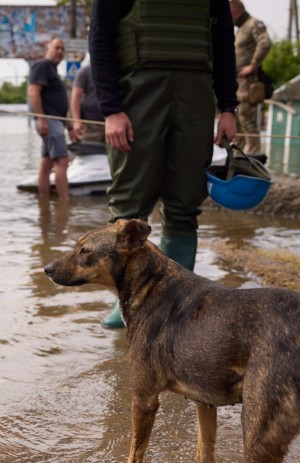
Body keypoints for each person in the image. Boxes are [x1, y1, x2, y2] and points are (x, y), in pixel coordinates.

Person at [89, 0, 238, 328]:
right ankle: (126, 303)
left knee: (185, 202)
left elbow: (225, 45)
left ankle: (176, 305)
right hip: (137, 95)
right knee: (129, 204)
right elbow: (99, 39)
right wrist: (111, 109)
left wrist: (229, 107)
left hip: (196, 96)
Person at [27, 37, 73, 201]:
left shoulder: (52, 70)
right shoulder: (43, 65)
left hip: (54, 121)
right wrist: (42, 120)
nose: (60, 52)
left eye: (62, 49)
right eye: (57, 48)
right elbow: (33, 92)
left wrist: (69, 125)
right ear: (48, 48)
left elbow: (56, 102)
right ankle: (65, 203)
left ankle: (44, 204)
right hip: (49, 121)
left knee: (46, 163)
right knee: (62, 160)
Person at [231, 0, 272, 157]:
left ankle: (254, 159)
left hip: (249, 85)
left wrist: (253, 65)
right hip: (239, 86)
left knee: (248, 123)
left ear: (235, 11)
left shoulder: (253, 24)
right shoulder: (241, 29)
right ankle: (237, 158)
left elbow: (265, 43)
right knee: (238, 123)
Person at [70, 64, 105, 145]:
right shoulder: (85, 71)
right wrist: (76, 121)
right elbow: (75, 96)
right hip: (90, 125)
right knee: (89, 153)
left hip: (112, 122)